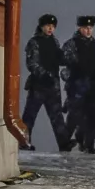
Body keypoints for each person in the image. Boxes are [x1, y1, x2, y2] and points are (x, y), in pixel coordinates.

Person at [21, 13, 71, 151]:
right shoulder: (34, 42)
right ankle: (23, 142)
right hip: (38, 85)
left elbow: (58, 59)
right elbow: (32, 63)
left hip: (53, 86)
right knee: (30, 116)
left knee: (57, 116)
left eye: (53, 26)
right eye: (48, 26)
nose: (50, 29)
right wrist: (44, 74)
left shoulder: (54, 42)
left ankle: (64, 143)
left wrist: (67, 58)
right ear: (42, 26)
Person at [61, 15, 95, 154]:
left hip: (92, 84)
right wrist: (79, 65)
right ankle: (64, 143)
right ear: (79, 28)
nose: (88, 31)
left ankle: (89, 145)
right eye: (85, 28)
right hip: (77, 84)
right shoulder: (71, 44)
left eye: (90, 28)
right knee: (74, 116)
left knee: (93, 116)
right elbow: (66, 59)